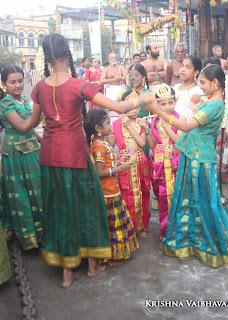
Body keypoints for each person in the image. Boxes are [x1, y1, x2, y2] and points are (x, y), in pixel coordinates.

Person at [30, 33, 148, 288]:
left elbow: (31, 123)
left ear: (46, 57)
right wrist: (142, 99)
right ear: (67, 54)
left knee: (59, 210)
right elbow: (116, 108)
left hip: (49, 157)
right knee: (88, 206)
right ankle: (92, 266)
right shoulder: (77, 84)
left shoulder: (38, 87)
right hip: (74, 156)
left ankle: (66, 273)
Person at [144, 64, 228, 268]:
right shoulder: (210, 101)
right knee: (192, 201)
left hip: (201, 160)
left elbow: (187, 127)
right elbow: (186, 135)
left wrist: (159, 112)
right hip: (192, 155)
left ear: (215, 83)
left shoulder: (215, 105)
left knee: (204, 202)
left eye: (203, 83)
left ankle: (209, 242)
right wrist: (162, 123)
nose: (201, 86)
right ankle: (192, 241)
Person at [86, 109, 139, 266]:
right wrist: (119, 169)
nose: (110, 126)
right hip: (106, 194)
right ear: (98, 128)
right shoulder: (98, 146)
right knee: (111, 228)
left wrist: (120, 162)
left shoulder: (103, 144)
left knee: (115, 227)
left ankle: (113, 256)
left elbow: (108, 165)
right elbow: (99, 172)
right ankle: (110, 258)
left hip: (112, 191)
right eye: (108, 123)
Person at [0, 65, 42, 250]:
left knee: (38, 192)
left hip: (32, 151)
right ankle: (28, 240)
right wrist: (42, 108)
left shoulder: (24, 100)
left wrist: (42, 139)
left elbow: (31, 129)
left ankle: (41, 235)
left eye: (20, 81)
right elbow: (24, 127)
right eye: (12, 82)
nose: (17, 85)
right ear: (3, 84)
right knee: (23, 196)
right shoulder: (5, 104)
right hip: (16, 155)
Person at [139, 84, 184, 239]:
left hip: (175, 161)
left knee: (176, 195)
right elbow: (152, 145)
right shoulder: (153, 122)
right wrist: (146, 130)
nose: (167, 107)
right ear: (157, 105)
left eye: (170, 102)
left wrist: (167, 124)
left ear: (175, 102)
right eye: (163, 104)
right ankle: (165, 231)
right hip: (157, 164)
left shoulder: (180, 118)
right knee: (162, 197)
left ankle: (176, 231)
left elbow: (180, 142)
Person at [112, 79, 151, 237]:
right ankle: (128, 226)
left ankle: (142, 226)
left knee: (142, 194)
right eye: (130, 106)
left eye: (137, 106)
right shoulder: (115, 124)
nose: (134, 110)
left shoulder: (140, 123)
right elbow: (110, 144)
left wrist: (129, 125)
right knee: (125, 194)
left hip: (140, 162)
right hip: (125, 163)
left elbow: (141, 143)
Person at [116, 63, 151, 160]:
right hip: (126, 126)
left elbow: (155, 112)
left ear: (143, 77)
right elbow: (114, 106)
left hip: (141, 128)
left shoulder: (148, 93)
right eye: (131, 76)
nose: (133, 78)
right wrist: (124, 114)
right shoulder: (125, 92)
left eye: (136, 75)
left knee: (143, 157)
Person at [173, 55, 203, 121]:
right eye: (182, 66)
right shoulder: (175, 87)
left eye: (188, 67)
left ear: (196, 72)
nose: (183, 69)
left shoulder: (198, 91)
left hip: (187, 128)